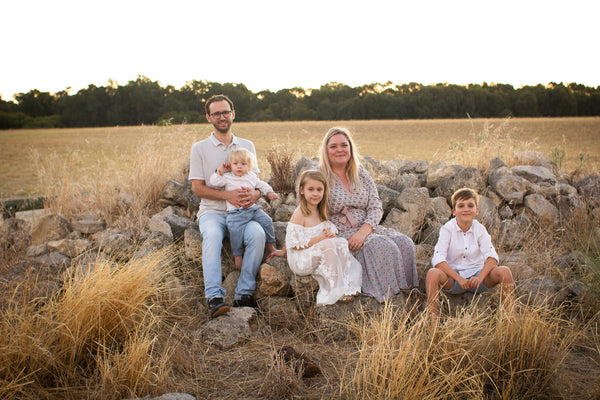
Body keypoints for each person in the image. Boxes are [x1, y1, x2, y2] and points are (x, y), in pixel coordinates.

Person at [189, 94, 268, 318]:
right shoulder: (200, 148)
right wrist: (227, 195)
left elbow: (257, 184)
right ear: (208, 117)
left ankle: (244, 294)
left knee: (258, 234)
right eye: (216, 113)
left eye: (225, 112)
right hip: (212, 212)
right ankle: (215, 297)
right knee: (212, 236)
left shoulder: (247, 145)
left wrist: (254, 194)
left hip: (243, 213)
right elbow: (198, 188)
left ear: (233, 114)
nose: (221, 117)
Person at [319, 127, 418, 302]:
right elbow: (309, 210)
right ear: (326, 151)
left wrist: (364, 231)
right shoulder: (319, 176)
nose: (340, 149)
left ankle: (408, 294)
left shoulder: (361, 173)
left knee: (405, 243)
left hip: (366, 228)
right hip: (340, 233)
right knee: (382, 247)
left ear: (350, 148)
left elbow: (375, 206)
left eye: (344, 145)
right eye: (333, 146)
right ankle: (388, 299)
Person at [426, 187, 515, 325]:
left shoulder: (479, 229)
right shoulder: (447, 229)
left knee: (505, 271)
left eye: (470, 205)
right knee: (432, 274)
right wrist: (459, 279)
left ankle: (508, 321)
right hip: (454, 279)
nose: (466, 209)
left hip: (478, 278)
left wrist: (480, 277)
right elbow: (438, 259)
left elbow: (492, 257)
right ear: (454, 211)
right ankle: (433, 323)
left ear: (476, 210)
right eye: (461, 206)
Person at [285, 170, 362, 305]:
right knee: (328, 245)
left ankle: (345, 284)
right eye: (311, 189)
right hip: (300, 258)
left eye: (319, 189)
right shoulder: (300, 213)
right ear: (302, 191)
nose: (315, 193)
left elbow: (325, 232)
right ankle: (334, 290)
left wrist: (329, 235)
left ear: (324, 191)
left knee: (341, 242)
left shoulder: (320, 210)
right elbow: (295, 243)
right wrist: (322, 238)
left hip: (314, 250)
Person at [209, 148, 284, 270]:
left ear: (249, 166)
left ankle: (270, 246)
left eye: (243, 164)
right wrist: (220, 171)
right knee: (235, 233)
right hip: (235, 213)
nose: (239, 167)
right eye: (235, 164)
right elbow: (214, 182)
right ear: (230, 166)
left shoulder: (251, 176)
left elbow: (261, 185)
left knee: (267, 221)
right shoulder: (227, 177)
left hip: (252, 210)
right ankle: (237, 255)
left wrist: (269, 192)